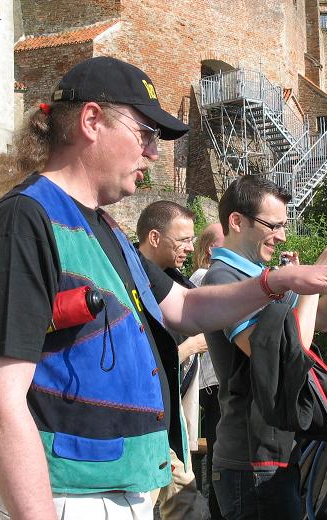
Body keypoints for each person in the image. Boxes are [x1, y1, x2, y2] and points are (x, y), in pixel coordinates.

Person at [0, 56, 327, 520]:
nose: (154, 153)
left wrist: (277, 281)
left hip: (116, 488)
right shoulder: (24, 223)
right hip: (65, 495)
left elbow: (185, 306)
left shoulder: (105, 228)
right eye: (145, 134)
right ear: (92, 121)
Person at [202, 175, 327, 520]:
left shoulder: (261, 275)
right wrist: (314, 275)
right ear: (237, 221)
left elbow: (325, 319)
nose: (282, 236)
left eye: (283, 225)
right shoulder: (223, 278)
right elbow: (283, 355)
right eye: (273, 226)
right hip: (250, 461)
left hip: (275, 452)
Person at [136, 201, 207, 520]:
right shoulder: (128, 285)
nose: (191, 248)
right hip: (142, 419)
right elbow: (138, 365)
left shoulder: (175, 282)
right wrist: (190, 347)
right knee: (145, 503)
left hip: (168, 414)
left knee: (186, 503)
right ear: (154, 237)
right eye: (183, 240)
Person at [190, 223, 225, 519]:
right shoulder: (204, 276)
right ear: (212, 248)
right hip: (213, 380)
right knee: (219, 452)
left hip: (212, 380)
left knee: (218, 450)